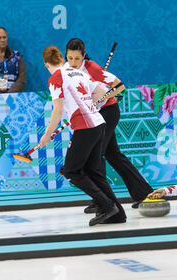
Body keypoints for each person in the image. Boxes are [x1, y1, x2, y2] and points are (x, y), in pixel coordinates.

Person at [64, 38, 154, 213]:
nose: (73, 62)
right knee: (112, 155)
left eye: (77, 58)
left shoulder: (91, 68)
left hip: (108, 112)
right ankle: (142, 193)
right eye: (70, 58)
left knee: (95, 157)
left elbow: (119, 86)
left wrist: (101, 98)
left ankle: (103, 201)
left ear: (84, 56)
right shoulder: (67, 70)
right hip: (94, 115)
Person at [40, 45, 126, 226]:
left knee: (71, 170)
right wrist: (89, 104)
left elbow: (58, 108)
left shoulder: (55, 78)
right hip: (99, 123)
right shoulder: (77, 72)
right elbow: (102, 94)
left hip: (85, 126)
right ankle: (117, 213)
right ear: (62, 59)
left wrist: (47, 134)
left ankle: (106, 205)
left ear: (46, 64)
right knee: (93, 171)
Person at [0, 27, 26, 94]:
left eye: (4, 37)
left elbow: (22, 78)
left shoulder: (17, 56)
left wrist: (8, 95)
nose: (2, 40)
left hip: (13, 97)